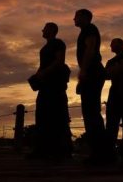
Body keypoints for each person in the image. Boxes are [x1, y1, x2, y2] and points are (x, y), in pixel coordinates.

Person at [74, 9, 114, 164]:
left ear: (84, 17)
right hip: (92, 73)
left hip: (93, 72)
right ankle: (101, 153)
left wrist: (83, 72)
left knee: (91, 112)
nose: (74, 19)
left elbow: (90, 50)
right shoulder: (86, 30)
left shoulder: (90, 29)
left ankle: (101, 154)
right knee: (90, 112)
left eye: (76, 16)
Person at [27, 22, 72, 160]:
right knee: (42, 116)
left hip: (55, 84)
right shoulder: (45, 47)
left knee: (58, 116)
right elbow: (43, 65)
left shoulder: (58, 43)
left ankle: (61, 151)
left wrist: (43, 73)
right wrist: (37, 76)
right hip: (46, 85)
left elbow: (60, 61)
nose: (42, 30)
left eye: (45, 28)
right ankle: (42, 149)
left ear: (52, 30)